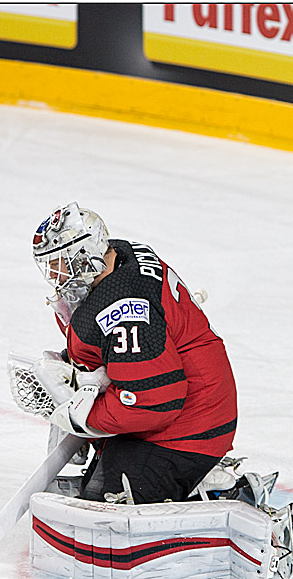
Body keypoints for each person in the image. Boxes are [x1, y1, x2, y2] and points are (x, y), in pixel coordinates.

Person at [31, 202, 240, 505]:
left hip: (189, 428)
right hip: (187, 403)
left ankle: (208, 484)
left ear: (85, 254)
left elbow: (154, 400)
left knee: (104, 510)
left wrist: (84, 416)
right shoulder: (119, 258)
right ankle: (190, 476)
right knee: (99, 487)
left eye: (60, 263)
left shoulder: (124, 305)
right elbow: (121, 352)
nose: (56, 275)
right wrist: (74, 369)